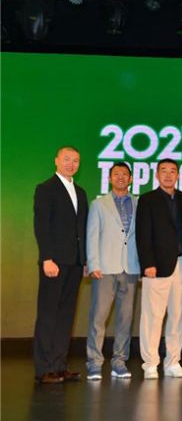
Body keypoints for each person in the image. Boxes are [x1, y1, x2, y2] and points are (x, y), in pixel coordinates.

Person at [33, 146, 88, 383]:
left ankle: (59, 364)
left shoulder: (81, 192)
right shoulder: (46, 189)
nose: (71, 164)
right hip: (54, 262)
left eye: (75, 160)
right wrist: (47, 258)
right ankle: (44, 369)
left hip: (75, 263)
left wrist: (84, 260)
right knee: (48, 315)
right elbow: (42, 226)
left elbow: (81, 229)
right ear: (56, 161)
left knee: (66, 315)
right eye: (66, 159)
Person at [136, 159, 182, 379]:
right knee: (153, 316)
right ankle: (150, 363)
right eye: (164, 171)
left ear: (178, 175)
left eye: (172, 171)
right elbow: (143, 234)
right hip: (156, 266)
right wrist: (147, 263)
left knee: (178, 315)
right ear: (157, 175)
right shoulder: (147, 199)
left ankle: (173, 362)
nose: (168, 175)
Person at [86, 162, 139, 381]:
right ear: (109, 178)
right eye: (116, 174)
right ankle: (94, 363)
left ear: (131, 179)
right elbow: (92, 235)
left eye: (124, 174)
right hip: (105, 269)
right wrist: (93, 264)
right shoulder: (99, 204)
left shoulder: (138, 203)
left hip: (131, 268)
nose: (120, 177)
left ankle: (119, 362)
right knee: (98, 318)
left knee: (125, 319)